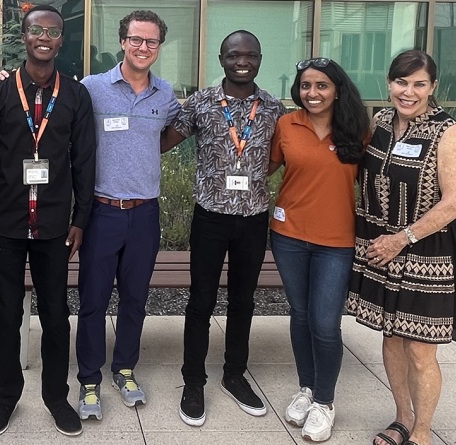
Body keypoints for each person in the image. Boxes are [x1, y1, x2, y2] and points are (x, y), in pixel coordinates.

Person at [0, 4, 96, 437]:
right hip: (5, 222)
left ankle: (56, 397)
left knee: (56, 313)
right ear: (23, 36)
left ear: (62, 39)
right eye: (36, 29)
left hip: (56, 225)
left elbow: (84, 161)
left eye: (53, 31)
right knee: (5, 314)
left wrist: (82, 218)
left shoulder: (76, 95)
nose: (44, 37)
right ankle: (6, 396)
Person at [161, 29, 286, 426]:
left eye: (249, 55)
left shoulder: (273, 107)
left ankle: (234, 375)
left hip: (252, 218)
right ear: (222, 58)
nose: (242, 61)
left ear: (260, 59)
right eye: (234, 55)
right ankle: (193, 381)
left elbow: (280, 154)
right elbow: (164, 141)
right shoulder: (200, 102)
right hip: (210, 217)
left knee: (243, 301)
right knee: (201, 301)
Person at [74, 10, 180, 421]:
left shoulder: (164, 93)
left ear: (159, 47)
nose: (143, 47)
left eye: (151, 42)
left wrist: (143, 155)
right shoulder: (92, 88)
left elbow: (172, 131)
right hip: (102, 212)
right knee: (93, 301)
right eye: (136, 39)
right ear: (122, 41)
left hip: (144, 214)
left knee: (135, 299)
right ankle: (88, 378)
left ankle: (124, 369)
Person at [347, 50, 456, 445]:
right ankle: (402, 418)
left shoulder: (447, 131)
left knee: (420, 349)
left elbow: (453, 202)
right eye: (401, 82)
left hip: (425, 254)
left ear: (433, 87)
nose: (408, 92)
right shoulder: (379, 123)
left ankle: (423, 433)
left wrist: (402, 238)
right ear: (388, 83)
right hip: (381, 249)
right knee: (391, 339)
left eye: (418, 84)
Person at [267, 58, 369, 442]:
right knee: (301, 314)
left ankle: (325, 402)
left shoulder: (359, 131)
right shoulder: (286, 124)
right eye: (306, 86)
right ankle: (307, 389)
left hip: (337, 242)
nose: (313, 93)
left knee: (325, 325)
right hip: (288, 235)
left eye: (321, 86)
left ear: (337, 89)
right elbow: (268, 168)